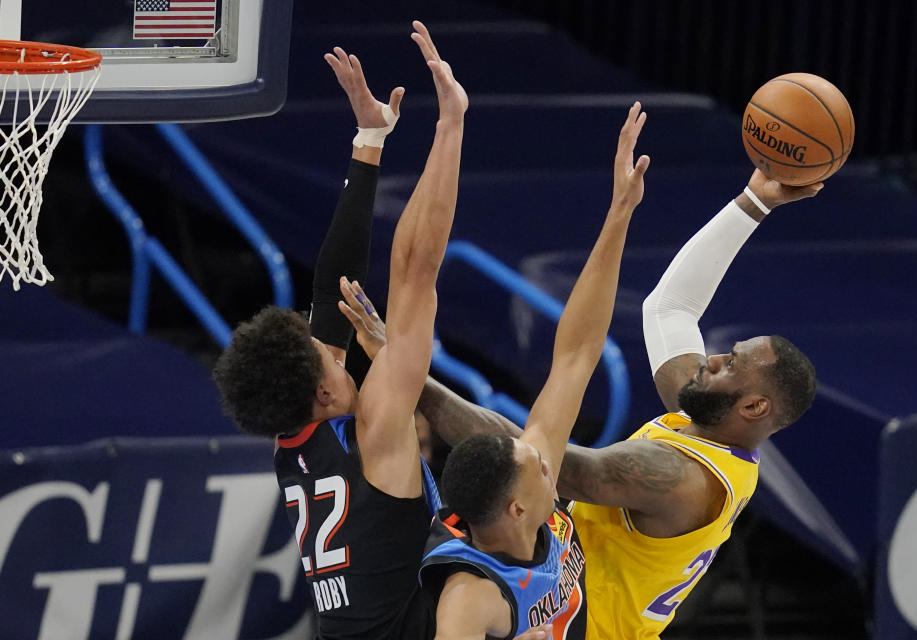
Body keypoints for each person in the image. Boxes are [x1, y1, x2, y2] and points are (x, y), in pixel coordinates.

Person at [342, 169, 821, 639]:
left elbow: (540, 461)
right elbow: (670, 307)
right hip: (556, 603)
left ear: (754, 407)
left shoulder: (682, 479)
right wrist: (755, 202)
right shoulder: (715, 421)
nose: (713, 358)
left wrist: (406, 371)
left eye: (731, 364)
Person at [339, 103, 651, 639]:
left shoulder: (534, 505)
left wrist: (620, 213)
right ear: (516, 507)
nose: (553, 464)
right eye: (543, 471)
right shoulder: (472, 595)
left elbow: (577, 355)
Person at [213, 21, 467, 640]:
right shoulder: (376, 432)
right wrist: (450, 124)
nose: (335, 347)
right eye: (330, 357)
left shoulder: (293, 435)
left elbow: (332, 290)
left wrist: (370, 138)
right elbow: (415, 269)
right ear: (325, 393)